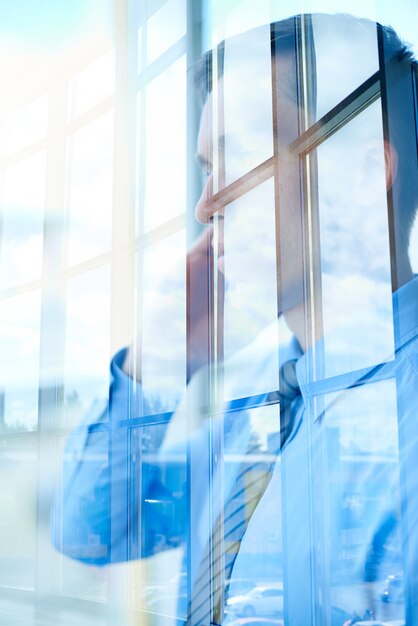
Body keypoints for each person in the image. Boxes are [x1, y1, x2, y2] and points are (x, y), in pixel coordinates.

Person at [52, 13, 418, 625]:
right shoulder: (258, 417)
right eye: (205, 169)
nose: (206, 206)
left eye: (240, 155)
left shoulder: (400, 417)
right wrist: (160, 359)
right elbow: (89, 526)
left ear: (358, 172)